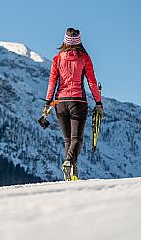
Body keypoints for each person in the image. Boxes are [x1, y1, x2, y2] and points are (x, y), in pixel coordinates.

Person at [45, 27, 103, 181]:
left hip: (60, 103)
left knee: (68, 140)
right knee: (76, 139)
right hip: (78, 102)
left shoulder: (57, 59)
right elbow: (91, 82)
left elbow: (52, 82)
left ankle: (72, 174)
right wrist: (98, 102)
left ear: (64, 41)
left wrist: (47, 102)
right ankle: (70, 162)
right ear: (79, 42)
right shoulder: (84, 58)